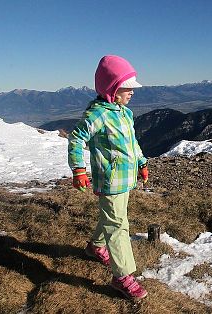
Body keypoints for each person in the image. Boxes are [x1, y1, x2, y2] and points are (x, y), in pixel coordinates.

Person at [68, 55, 149, 301]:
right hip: (110, 181)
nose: (133, 91)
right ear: (112, 87)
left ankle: (95, 247)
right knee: (118, 226)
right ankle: (122, 276)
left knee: (114, 218)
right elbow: (76, 139)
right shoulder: (98, 114)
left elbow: (132, 143)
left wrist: (142, 161)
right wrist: (79, 169)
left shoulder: (125, 113)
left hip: (126, 179)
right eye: (128, 86)